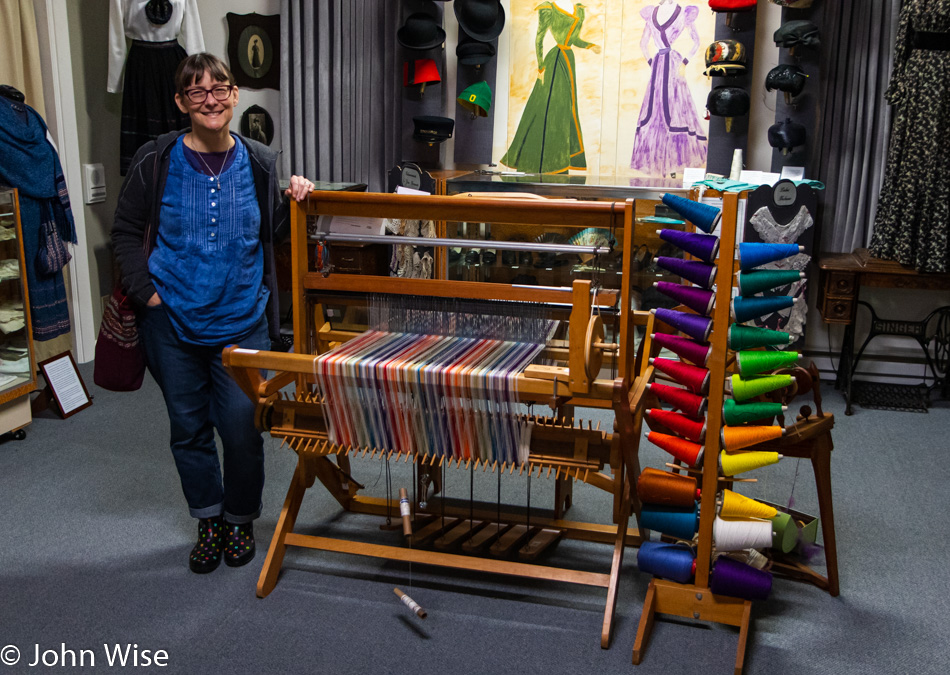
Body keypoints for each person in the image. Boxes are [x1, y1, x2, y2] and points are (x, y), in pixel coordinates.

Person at [112, 53, 314, 574]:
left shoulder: (262, 163)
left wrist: (299, 198)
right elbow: (126, 234)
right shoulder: (154, 160)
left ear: (234, 95)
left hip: (243, 323)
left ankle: (241, 518)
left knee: (243, 428)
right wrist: (147, 295)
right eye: (196, 91)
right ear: (181, 102)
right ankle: (209, 521)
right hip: (171, 324)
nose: (211, 99)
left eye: (219, 88)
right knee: (189, 429)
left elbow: (279, 236)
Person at [500, 1, 600, 174]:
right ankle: (543, 161)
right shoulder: (549, 8)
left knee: (565, 110)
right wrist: (540, 67)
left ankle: (560, 159)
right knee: (549, 110)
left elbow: (574, 39)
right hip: (554, 63)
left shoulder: (578, 8)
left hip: (568, 60)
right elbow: (540, 37)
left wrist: (590, 45)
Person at [629, 1, 707, 176]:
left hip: (672, 65)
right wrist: (653, 63)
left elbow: (696, 42)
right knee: (655, 112)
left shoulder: (684, 13)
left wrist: (683, 63)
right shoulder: (651, 13)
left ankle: (674, 164)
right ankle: (661, 165)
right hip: (661, 66)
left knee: (675, 111)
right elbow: (643, 44)